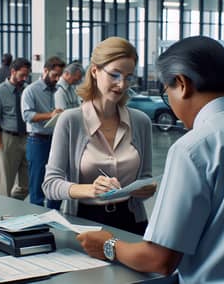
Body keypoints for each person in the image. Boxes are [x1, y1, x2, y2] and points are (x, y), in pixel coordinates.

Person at [77, 36, 224, 283]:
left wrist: (109, 244)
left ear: (182, 84)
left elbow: (160, 259)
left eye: (166, 93)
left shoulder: (194, 148)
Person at [42, 37, 155, 235]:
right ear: (94, 71)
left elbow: (145, 177)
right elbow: (51, 185)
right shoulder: (70, 121)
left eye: (128, 77)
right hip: (85, 222)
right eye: (115, 75)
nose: (122, 85)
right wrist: (90, 189)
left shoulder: (141, 121)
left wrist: (145, 189)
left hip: (132, 221)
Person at [21, 56, 65, 209]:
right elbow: (27, 116)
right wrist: (50, 115)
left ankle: (55, 212)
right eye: (54, 75)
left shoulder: (58, 90)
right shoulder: (31, 91)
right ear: (45, 71)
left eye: (60, 75)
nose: (57, 79)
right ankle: (37, 214)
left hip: (56, 139)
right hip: (37, 141)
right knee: (37, 181)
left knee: (57, 177)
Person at [0, 57, 31, 200]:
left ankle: (14, 204)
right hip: (8, 138)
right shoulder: (0, 91)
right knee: (5, 182)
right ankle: (2, 214)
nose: (24, 78)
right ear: (13, 71)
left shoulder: (26, 91)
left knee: (26, 183)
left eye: (27, 75)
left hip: (26, 137)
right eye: (22, 75)